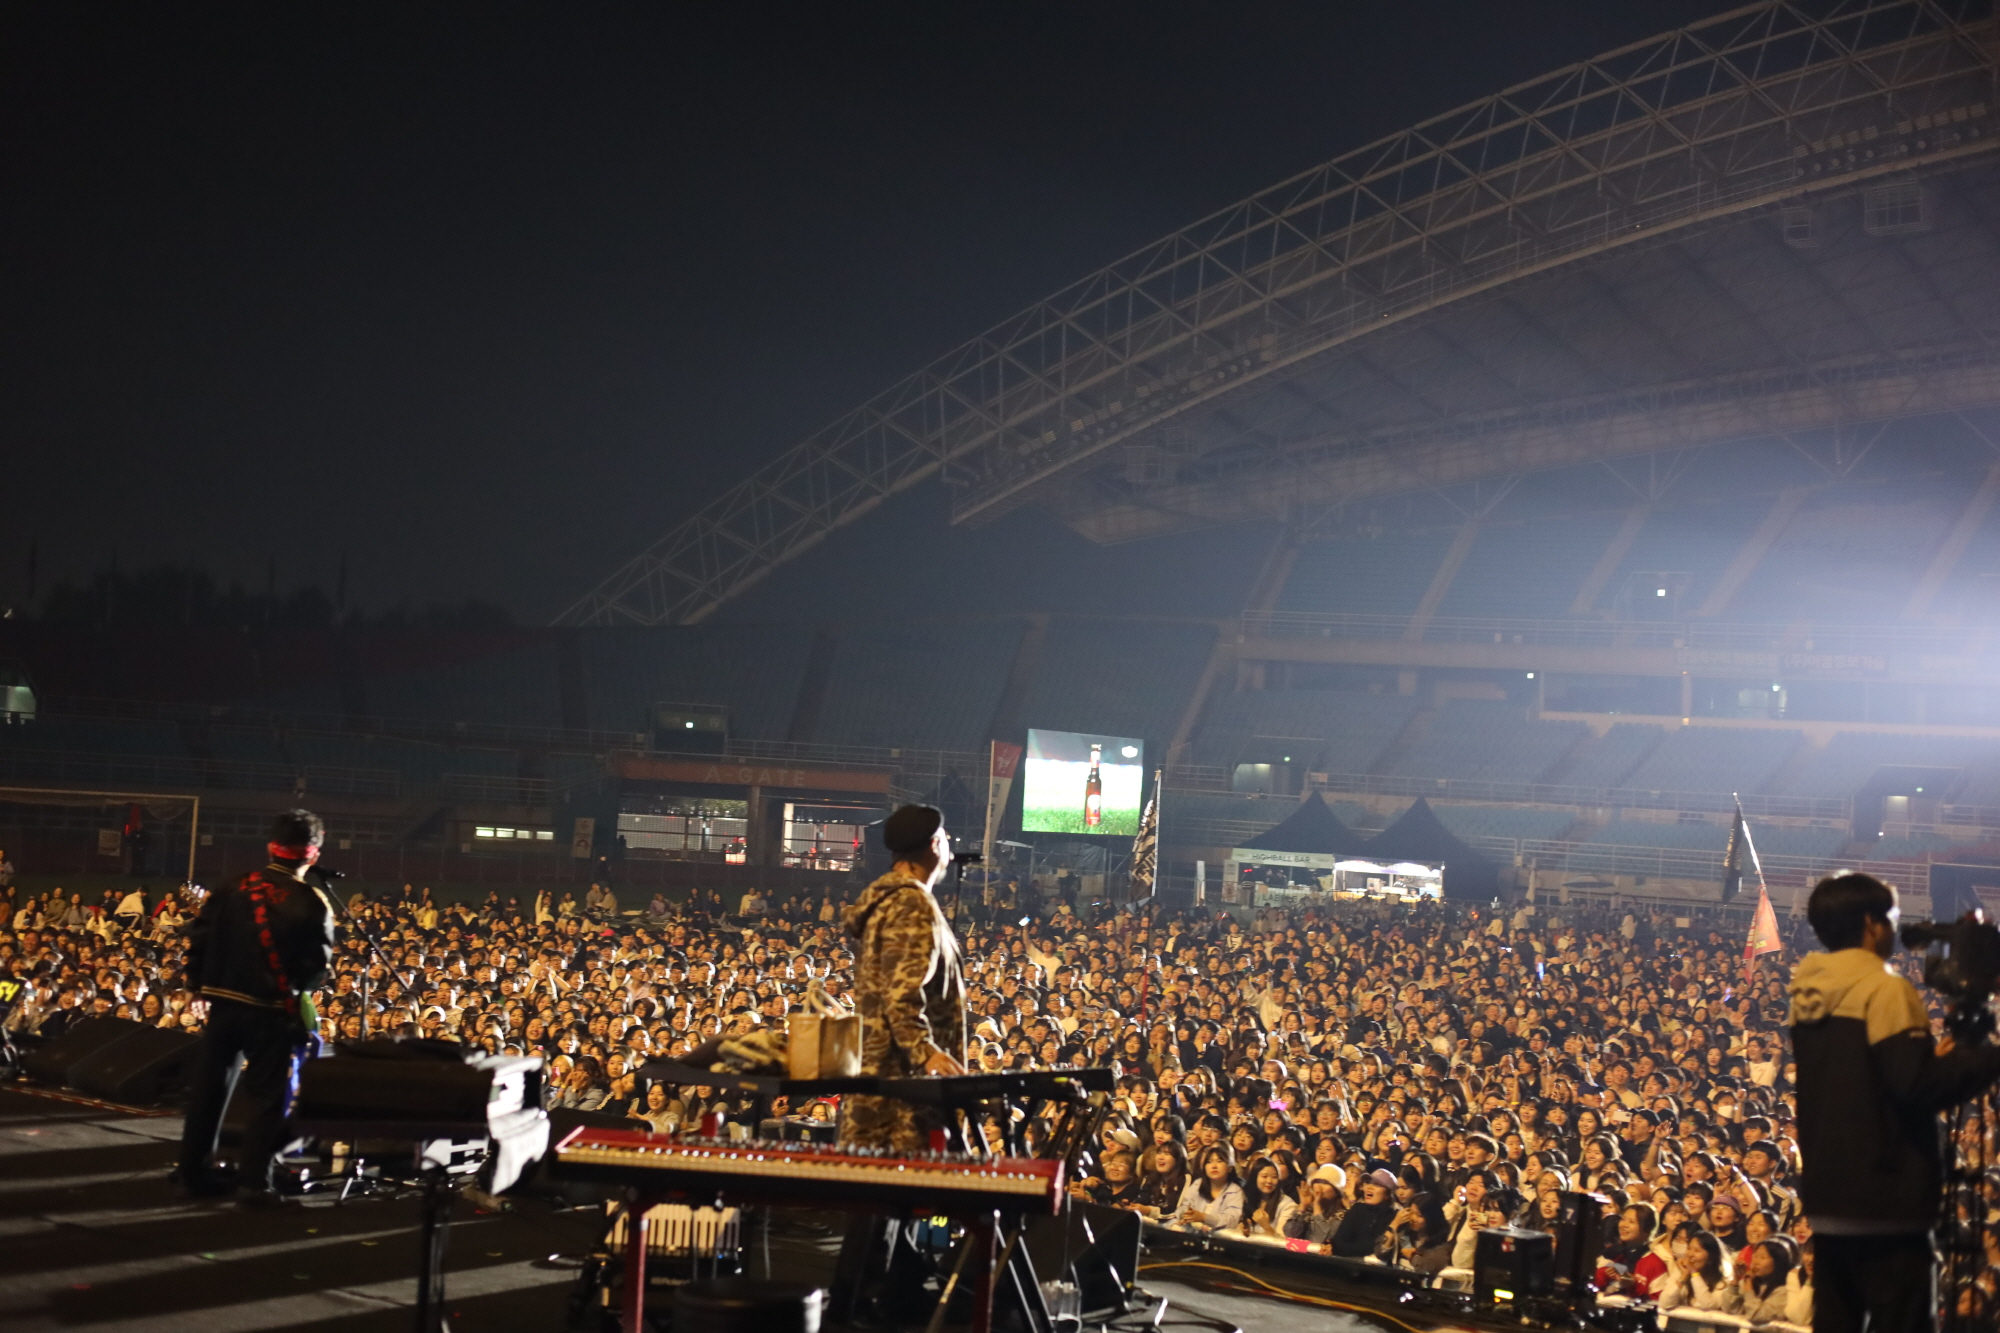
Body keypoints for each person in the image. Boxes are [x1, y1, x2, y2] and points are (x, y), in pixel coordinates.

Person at [1790, 872, 2000, 1333]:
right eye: (1892, 917)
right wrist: (1982, 1057)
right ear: (1871, 923)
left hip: (1829, 1196)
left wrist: (1929, 1059)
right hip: (1885, 1197)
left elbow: (1865, 1079)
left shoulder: (1809, 988)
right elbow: (1917, 1088)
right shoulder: (1884, 988)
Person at [173, 808, 336, 1203]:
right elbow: (316, 969)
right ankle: (253, 1184)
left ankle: (193, 1172)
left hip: (223, 1006)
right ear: (313, 853)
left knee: (209, 1090)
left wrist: (195, 987)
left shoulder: (233, 886)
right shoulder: (312, 901)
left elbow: (200, 938)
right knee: (267, 1098)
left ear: (271, 847)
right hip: (270, 1012)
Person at [840, 804, 966, 1151]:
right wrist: (925, 1052)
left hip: (883, 1080)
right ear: (933, 846)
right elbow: (901, 992)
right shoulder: (912, 904)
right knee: (901, 1180)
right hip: (904, 1095)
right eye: (945, 838)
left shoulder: (889, 901)